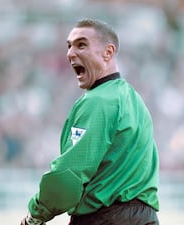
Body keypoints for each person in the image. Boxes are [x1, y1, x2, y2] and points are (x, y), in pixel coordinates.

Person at [20, 18, 160, 225]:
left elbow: (69, 174)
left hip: (106, 218)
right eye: (69, 46)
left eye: (81, 45)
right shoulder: (134, 101)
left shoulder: (98, 101)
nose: (70, 53)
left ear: (108, 52)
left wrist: (35, 216)